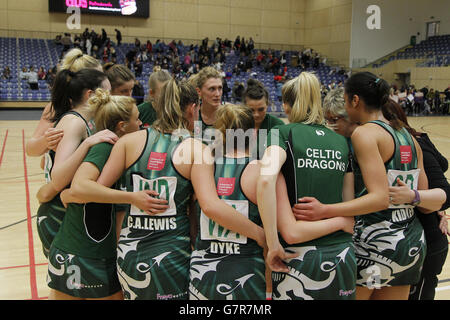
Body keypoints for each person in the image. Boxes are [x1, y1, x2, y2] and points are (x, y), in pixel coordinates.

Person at [291, 72, 429, 300]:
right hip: (410, 243)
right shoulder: (407, 135)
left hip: (377, 246)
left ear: (354, 101)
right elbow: (421, 197)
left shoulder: (365, 133)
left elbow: (379, 198)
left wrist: (326, 210)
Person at [61, 79, 201, 300]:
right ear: (193, 109)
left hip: (130, 253)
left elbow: (94, 190)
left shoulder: (127, 142)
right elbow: (202, 207)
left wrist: (67, 193)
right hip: (171, 254)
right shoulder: (196, 148)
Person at [256, 72, 357, 300]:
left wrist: (272, 244)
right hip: (343, 255)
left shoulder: (281, 133)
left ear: (286, 105)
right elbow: (348, 208)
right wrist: (340, 222)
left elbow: (264, 180)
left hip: (299, 259)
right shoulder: (341, 141)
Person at [46, 89, 141, 300]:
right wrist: (133, 197)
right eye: (137, 119)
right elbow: (80, 189)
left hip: (86, 250)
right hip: (85, 252)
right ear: (122, 126)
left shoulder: (121, 149)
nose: (141, 123)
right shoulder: (104, 148)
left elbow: (71, 193)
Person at [35, 69, 116, 258]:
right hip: (56, 214)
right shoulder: (74, 122)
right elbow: (58, 177)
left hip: (67, 212)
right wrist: (87, 144)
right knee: (63, 285)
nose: (111, 98)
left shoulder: (86, 121)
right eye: (108, 92)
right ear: (91, 95)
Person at [381, 101, 450, 300]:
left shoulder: (412, 144)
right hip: (402, 244)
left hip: (426, 243)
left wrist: (418, 197)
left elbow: (443, 192)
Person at [26, 48, 102, 158]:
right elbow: (31, 150)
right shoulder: (57, 107)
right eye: (98, 81)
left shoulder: (103, 105)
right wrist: (45, 141)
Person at [242, 79, 285, 159]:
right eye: (251, 110)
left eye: (261, 109)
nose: (256, 114)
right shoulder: (237, 124)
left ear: (267, 104)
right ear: (244, 106)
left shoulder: (277, 125)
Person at [191, 66, 223, 134]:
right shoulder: (191, 116)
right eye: (212, 89)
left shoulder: (230, 115)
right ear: (199, 91)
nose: (217, 94)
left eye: (220, 88)